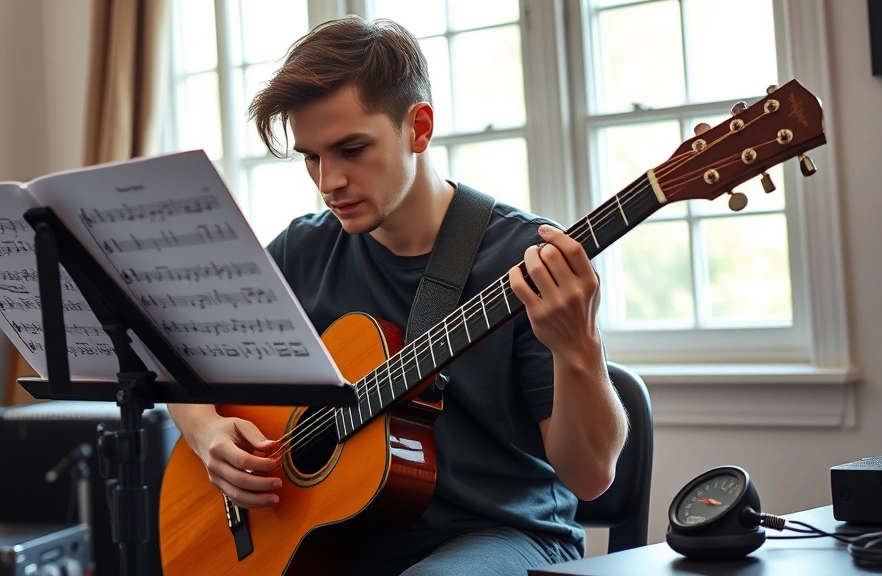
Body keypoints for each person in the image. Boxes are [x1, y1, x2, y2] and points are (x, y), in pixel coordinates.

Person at [167, 15, 628, 576]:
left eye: (351, 149)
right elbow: (183, 359)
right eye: (312, 156)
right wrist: (206, 429)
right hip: (338, 536)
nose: (327, 181)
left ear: (419, 127)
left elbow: (590, 476)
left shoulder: (526, 258)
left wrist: (578, 346)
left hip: (504, 535)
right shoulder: (301, 252)